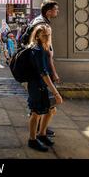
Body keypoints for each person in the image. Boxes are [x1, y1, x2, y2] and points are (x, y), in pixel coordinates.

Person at [26, 24, 63, 152]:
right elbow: (43, 73)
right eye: (44, 35)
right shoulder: (37, 50)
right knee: (36, 113)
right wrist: (56, 93)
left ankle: (42, 134)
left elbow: (48, 65)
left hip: (43, 84)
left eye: (49, 35)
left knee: (50, 110)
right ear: (37, 36)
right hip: (37, 85)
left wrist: (54, 73)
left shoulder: (44, 47)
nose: (47, 37)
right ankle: (32, 140)